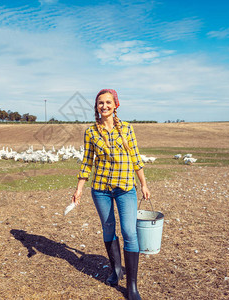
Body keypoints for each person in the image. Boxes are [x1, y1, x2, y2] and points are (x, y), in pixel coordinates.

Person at [72, 89, 150, 300]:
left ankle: (132, 286)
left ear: (116, 105)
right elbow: (87, 161)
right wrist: (79, 188)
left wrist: (143, 184)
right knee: (108, 228)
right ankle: (116, 270)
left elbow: (135, 157)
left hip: (125, 187)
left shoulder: (127, 128)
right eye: (100, 103)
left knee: (129, 232)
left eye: (108, 102)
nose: (104, 106)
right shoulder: (91, 132)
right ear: (96, 107)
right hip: (101, 189)